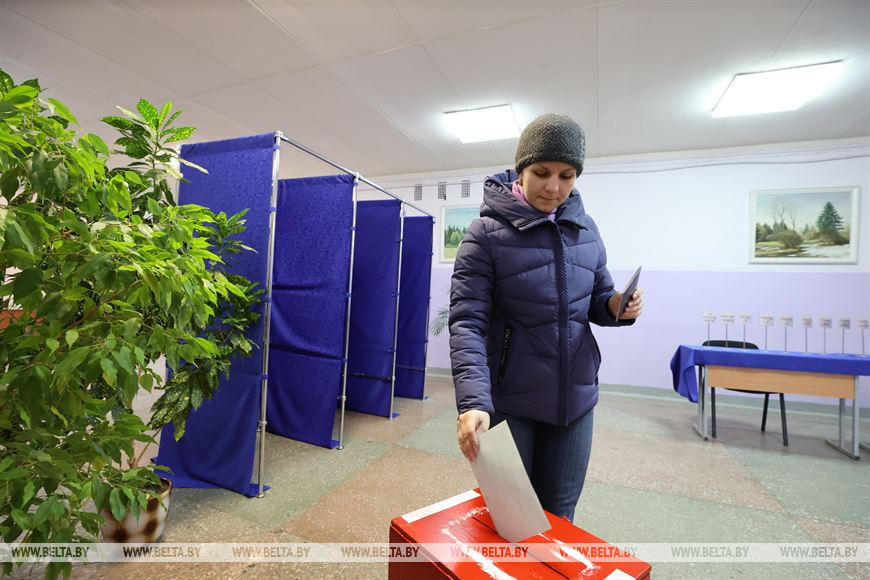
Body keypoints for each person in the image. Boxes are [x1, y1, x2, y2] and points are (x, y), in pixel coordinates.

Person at [449, 113, 643, 521]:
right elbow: (467, 322)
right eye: (541, 173)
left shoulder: (586, 229)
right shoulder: (484, 234)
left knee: (560, 515)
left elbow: (597, 297)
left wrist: (616, 306)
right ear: (521, 169)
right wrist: (474, 402)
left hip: (576, 399)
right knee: (513, 516)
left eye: (567, 176)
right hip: (511, 401)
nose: (554, 187)